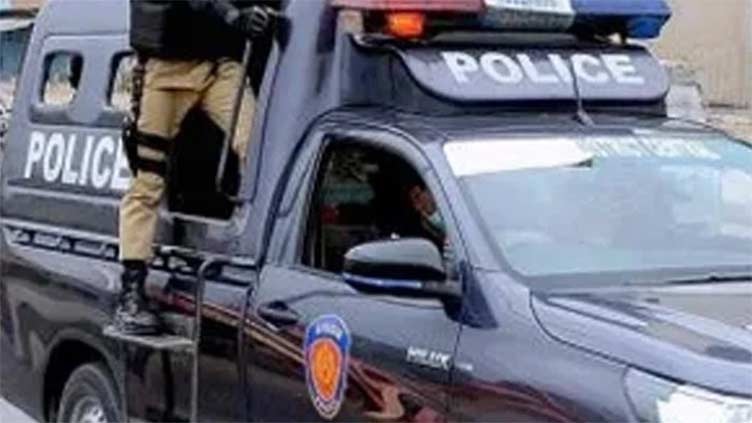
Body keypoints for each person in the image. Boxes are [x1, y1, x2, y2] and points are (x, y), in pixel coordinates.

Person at [114, 0, 275, 335]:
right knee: (147, 181)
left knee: (260, 154)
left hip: (219, 67)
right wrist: (234, 15)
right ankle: (131, 293)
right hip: (165, 70)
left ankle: (265, 257)